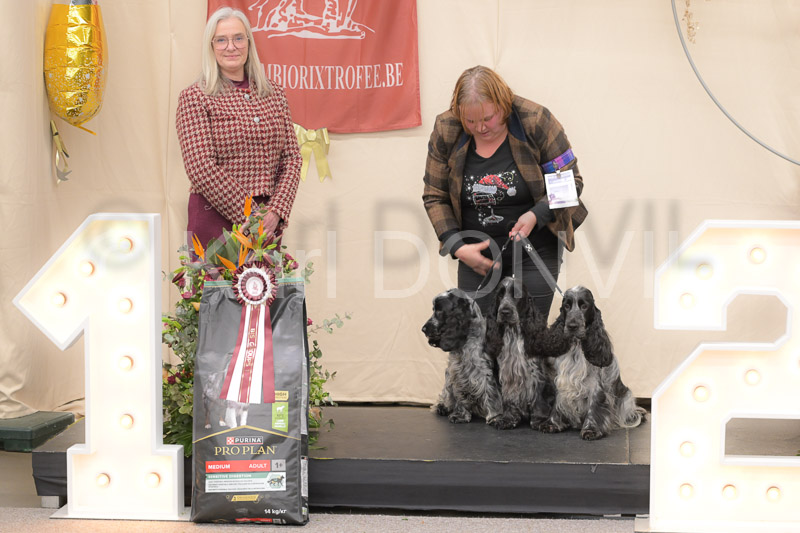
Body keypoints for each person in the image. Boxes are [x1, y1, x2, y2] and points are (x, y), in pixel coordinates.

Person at [423, 66, 588, 316]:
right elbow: (435, 195)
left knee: (529, 333)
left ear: (504, 103)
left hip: (536, 249)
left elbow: (570, 182)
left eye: (488, 118)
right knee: (477, 334)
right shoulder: (447, 128)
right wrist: (457, 246)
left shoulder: (536, 120)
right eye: (470, 121)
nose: (480, 128)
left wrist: (536, 215)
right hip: (475, 255)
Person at [176, 7, 302, 246]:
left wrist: (276, 211)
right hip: (215, 220)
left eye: (238, 38)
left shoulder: (274, 94)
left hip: (268, 221)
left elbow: (292, 159)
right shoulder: (195, 97)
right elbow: (200, 168)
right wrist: (252, 218)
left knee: (264, 273)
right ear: (211, 46)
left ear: (249, 43)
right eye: (221, 40)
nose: (231, 47)